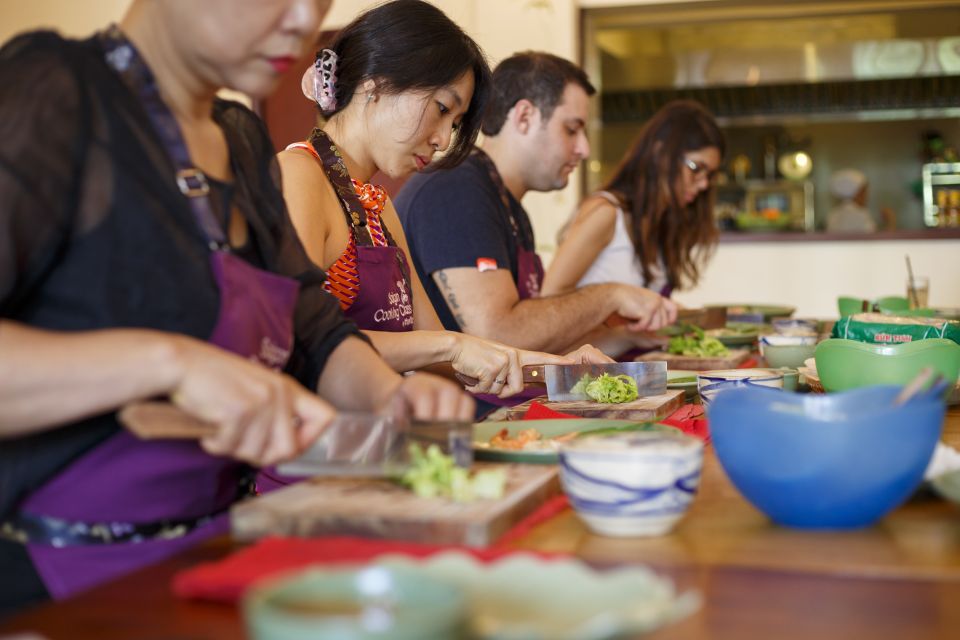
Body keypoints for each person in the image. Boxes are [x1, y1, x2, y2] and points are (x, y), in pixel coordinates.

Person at [0, 0, 473, 615]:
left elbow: (313, 322)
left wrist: (388, 397)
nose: (305, 20)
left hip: (212, 555)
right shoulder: (56, 92)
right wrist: (172, 365)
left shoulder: (238, 138)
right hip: (64, 581)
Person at [278, 1, 607, 403]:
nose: (443, 140)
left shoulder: (378, 206)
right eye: (441, 109)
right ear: (375, 82)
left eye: (454, 123)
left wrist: (560, 369)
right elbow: (294, 337)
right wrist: (449, 347)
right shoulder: (298, 176)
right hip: (320, 451)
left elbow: (442, 355)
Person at [395, 52, 677, 360]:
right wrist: (611, 295)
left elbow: (533, 343)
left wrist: (621, 337)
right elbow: (498, 335)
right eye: (572, 129)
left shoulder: (510, 206)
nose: (584, 149)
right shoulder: (456, 189)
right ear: (525, 117)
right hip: (460, 405)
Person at [542, 100, 725, 298]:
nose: (704, 184)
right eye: (696, 168)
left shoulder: (658, 222)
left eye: (709, 175)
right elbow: (549, 298)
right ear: (660, 153)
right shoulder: (605, 213)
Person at [826, 168, 893, 233]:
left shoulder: (833, 215)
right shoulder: (860, 215)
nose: (867, 196)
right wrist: (891, 220)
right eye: (864, 191)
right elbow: (874, 242)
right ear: (857, 193)